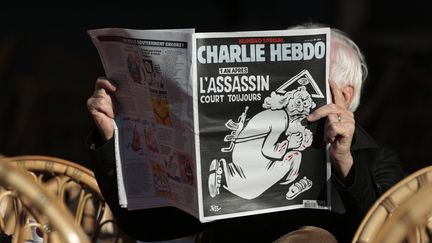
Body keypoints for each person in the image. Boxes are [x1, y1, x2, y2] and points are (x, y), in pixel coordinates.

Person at [86, 24, 404, 243]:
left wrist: (345, 163)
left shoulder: (375, 161)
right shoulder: (255, 132)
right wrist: (111, 137)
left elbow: (389, 233)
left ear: (345, 96)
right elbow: (147, 225)